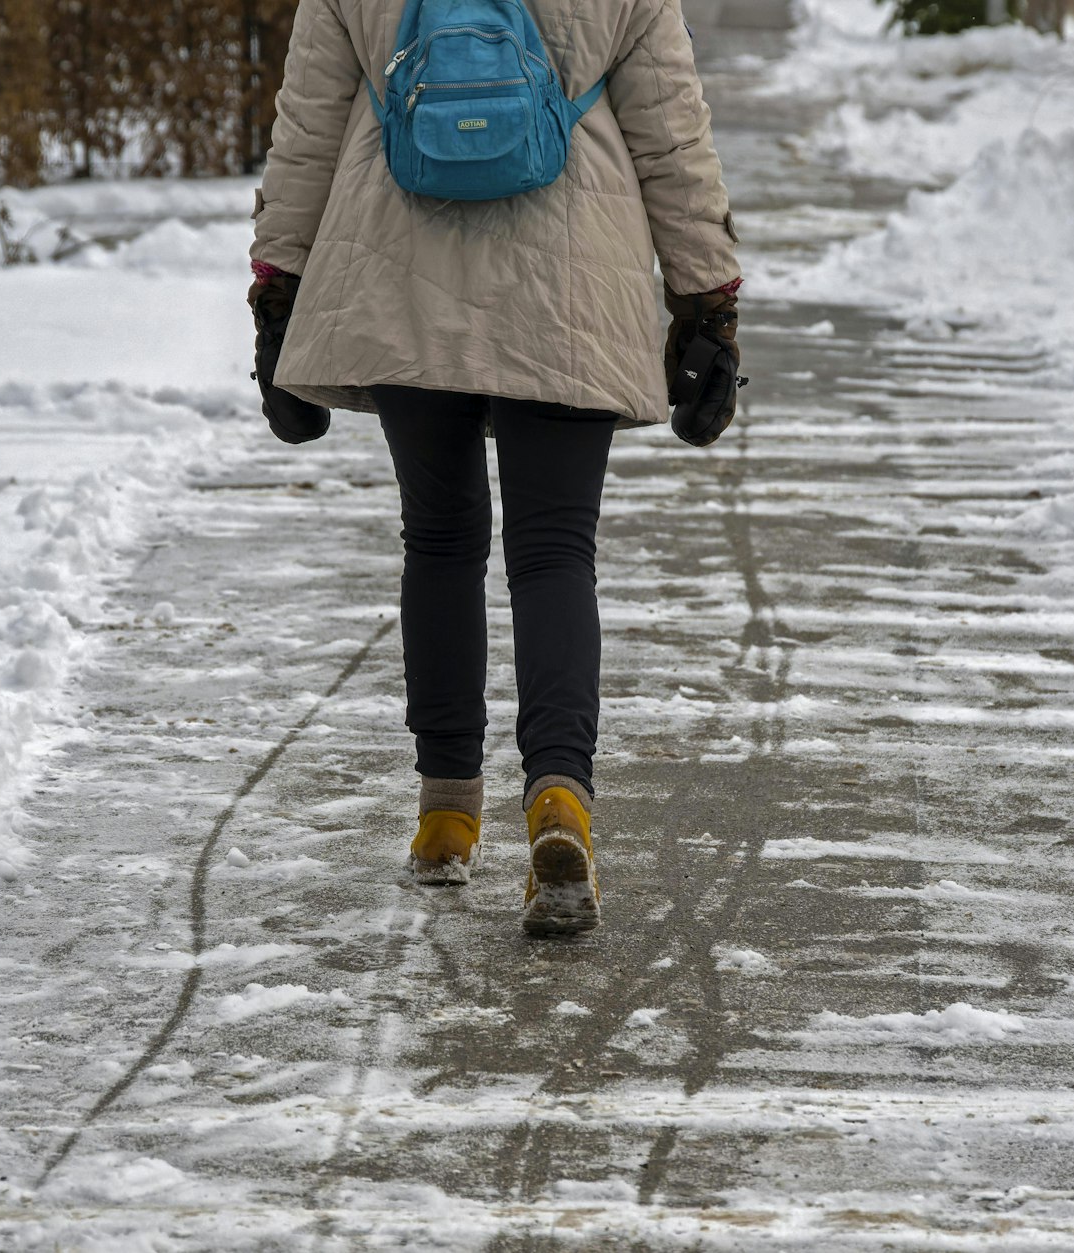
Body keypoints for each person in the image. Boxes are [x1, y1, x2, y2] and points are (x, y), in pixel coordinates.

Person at [247, 0, 741, 936]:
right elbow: (671, 132)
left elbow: (308, 129)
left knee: (439, 539)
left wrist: (278, 292)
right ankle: (560, 797)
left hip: (397, 272)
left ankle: (445, 811)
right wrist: (706, 301)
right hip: (570, 276)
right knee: (554, 550)